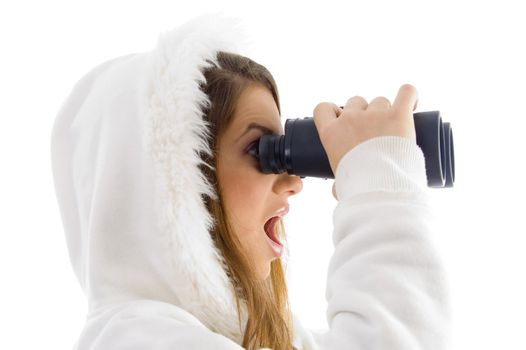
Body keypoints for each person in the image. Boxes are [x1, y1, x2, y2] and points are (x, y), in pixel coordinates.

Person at [50, 13, 450, 350]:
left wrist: (379, 168)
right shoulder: (134, 338)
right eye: (261, 149)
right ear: (174, 187)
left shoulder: (245, 335)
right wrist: (381, 189)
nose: (293, 181)